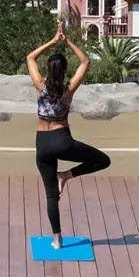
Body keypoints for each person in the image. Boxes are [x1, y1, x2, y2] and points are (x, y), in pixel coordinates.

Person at [26, 27, 111, 247]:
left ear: (48, 69)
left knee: (51, 195)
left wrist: (53, 41)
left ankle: (57, 240)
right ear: (64, 71)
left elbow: (30, 57)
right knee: (103, 160)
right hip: (62, 141)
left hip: (42, 144)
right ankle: (66, 175)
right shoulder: (68, 89)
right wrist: (68, 41)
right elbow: (85, 63)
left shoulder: (40, 87)